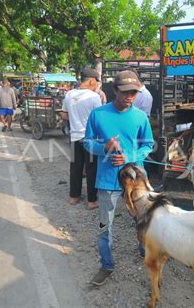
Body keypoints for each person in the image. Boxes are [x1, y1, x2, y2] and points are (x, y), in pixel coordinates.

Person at [84, 70, 154, 286]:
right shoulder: (98, 115)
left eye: (134, 92)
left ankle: (144, 250)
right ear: (114, 90)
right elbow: (86, 142)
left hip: (136, 181)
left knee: (143, 219)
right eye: (125, 92)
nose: (130, 97)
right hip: (107, 181)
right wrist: (104, 146)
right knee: (105, 225)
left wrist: (130, 156)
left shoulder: (140, 117)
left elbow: (148, 145)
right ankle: (106, 264)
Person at [60, 68, 102, 209]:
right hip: (90, 139)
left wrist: (75, 117)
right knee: (91, 169)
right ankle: (92, 201)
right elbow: (98, 119)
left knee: (75, 167)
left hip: (74, 137)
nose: (97, 85)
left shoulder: (69, 94)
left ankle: (74, 197)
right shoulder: (94, 97)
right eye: (96, 82)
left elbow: (64, 115)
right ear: (91, 80)